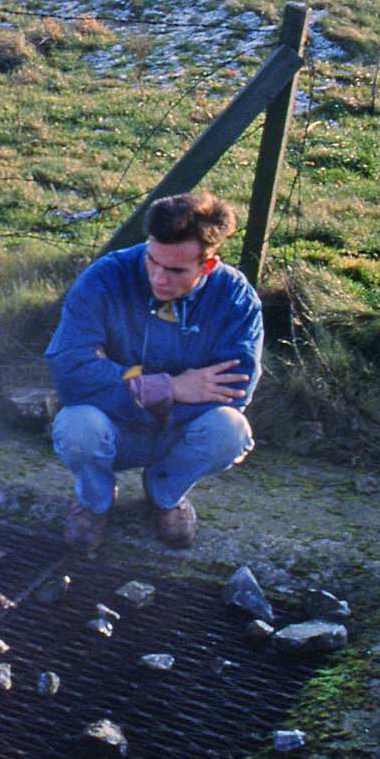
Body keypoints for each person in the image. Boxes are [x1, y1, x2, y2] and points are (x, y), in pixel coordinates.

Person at [45, 190, 262, 551]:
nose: (159, 278)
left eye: (176, 270)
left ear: (207, 265)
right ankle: (94, 501)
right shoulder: (104, 278)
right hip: (112, 426)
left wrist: (113, 375)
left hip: (178, 431)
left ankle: (165, 494)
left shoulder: (236, 298)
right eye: (152, 261)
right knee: (76, 426)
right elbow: (69, 368)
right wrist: (172, 388)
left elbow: (235, 389)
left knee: (230, 430)